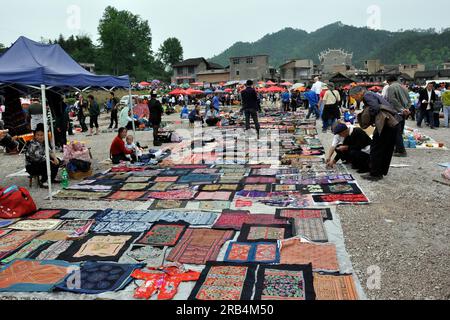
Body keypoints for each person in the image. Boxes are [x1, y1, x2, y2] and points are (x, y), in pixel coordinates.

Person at [350, 86, 399, 181]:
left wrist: (369, 117)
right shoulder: (371, 94)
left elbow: (375, 107)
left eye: (354, 97)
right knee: (385, 149)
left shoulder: (367, 95)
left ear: (359, 93)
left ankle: (375, 174)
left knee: (376, 147)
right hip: (392, 123)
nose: (355, 99)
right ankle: (380, 171)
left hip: (386, 124)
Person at [25, 123, 60, 188]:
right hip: (32, 165)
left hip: (41, 162)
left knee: (57, 161)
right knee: (47, 163)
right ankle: (43, 181)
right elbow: (37, 157)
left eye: (41, 135)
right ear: (35, 136)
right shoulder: (33, 144)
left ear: (44, 136)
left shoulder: (44, 143)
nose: (39, 137)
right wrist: (49, 160)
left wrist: (55, 158)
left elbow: (50, 151)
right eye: (37, 135)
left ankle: (51, 179)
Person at [386, 75, 411, 157]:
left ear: (389, 81)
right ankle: (397, 149)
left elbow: (392, 100)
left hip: (396, 112)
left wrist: (401, 109)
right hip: (404, 113)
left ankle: (401, 151)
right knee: (399, 132)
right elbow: (409, 100)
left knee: (396, 133)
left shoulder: (390, 87)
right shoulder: (403, 87)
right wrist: (406, 109)